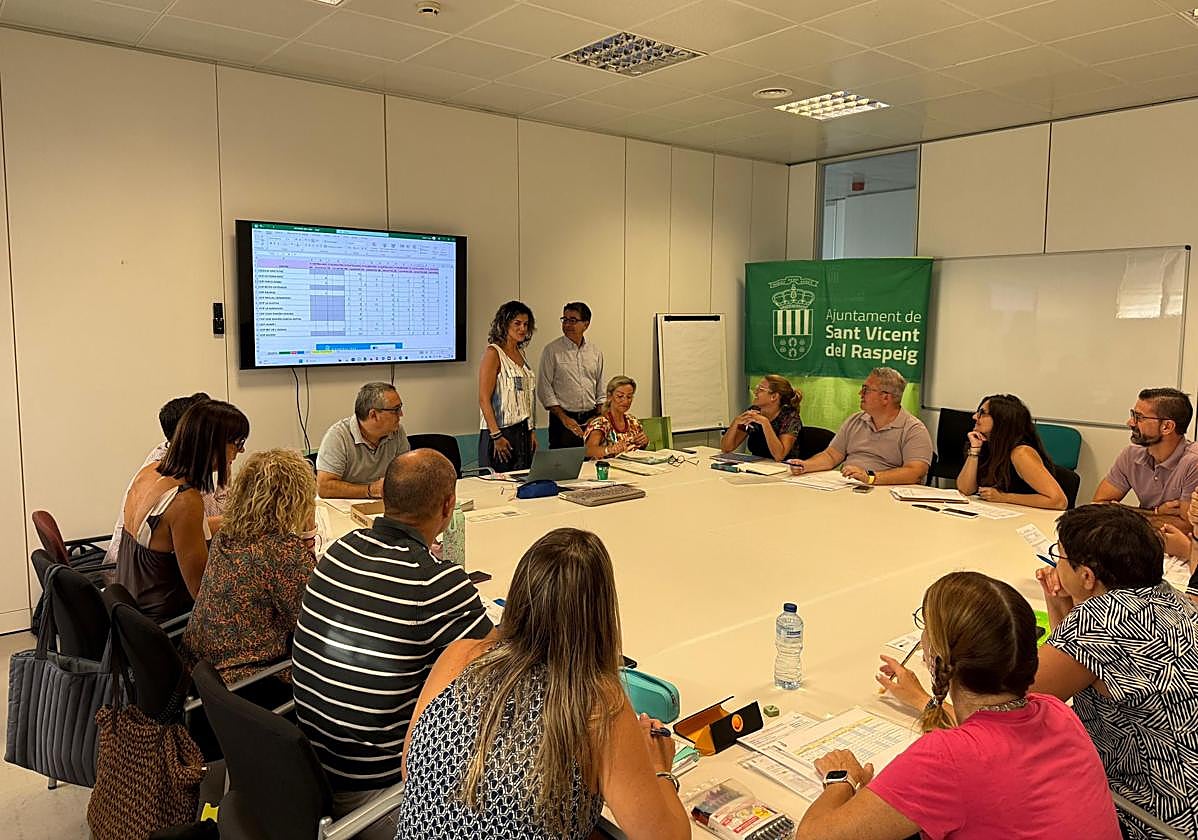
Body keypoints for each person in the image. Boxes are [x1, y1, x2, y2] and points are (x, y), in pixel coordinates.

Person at [396, 528, 690, 840]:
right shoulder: (596, 706)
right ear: (600, 615)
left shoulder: (458, 657)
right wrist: (659, 769)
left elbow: (410, 770)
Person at [800, 571, 1120, 840]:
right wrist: (920, 698)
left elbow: (812, 837)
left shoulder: (944, 758)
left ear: (937, 657)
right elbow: (993, 737)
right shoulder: (1056, 710)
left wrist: (841, 779)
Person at [292, 449, 493, 840]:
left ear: (384, 496)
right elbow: (503, 666)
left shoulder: (339, 551)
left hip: (309, 767)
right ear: (448, 505)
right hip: (376, 795)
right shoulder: (436, 583)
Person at [1032, 505, 1198, 838]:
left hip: (1156, 818)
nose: (1055, 565)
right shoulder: (1173, 598)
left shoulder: (1095, 624)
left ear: (1087, 576)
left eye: (1059, 556)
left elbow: (1008, 705)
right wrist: (1062, 602)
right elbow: (1076, 665)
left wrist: (926, 699)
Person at [183, 448, 317, 687]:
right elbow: (313, 619)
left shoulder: (226, 536)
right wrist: (307, 532)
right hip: (246, 681)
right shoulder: (282, 551)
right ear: (296, 500)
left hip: (201, 672)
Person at [116, 400, 249, 623]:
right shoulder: (184, 501)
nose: (242, 450)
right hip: (166, 622)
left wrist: (242, 519)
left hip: (132, 610)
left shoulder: (151, 471)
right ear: (212, 444)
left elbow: (186, 532)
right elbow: (202, 593)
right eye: (238, 442)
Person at [105, 392, 220, 564]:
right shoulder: (181, 481)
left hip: (127, 566)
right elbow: (203, 525)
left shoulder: (160, 458)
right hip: (137, 570)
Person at [787, 367, 932, 486]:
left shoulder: (913, 429)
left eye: (866, 390)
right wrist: (806, 465)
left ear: (886, 397)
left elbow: (915, 472)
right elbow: (831, 456)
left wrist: (870, 477)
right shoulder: (855, 420)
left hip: (885, 491)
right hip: (849, 486)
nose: (860, 393)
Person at [1092, 387, 1198, 529]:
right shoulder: (1131, 455)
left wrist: (1122, 511)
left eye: (1139, 417)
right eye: (1133, 415)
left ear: (1167, 426)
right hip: (1144, 537)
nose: (1130, 422)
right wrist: (1156, 513)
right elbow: (1098, 505)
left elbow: (1188, 526)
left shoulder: (1193, 462)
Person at [955, 394, 1067, 509]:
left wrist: (1004, 497)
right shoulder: (984, 445)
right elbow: (965, 490)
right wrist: (974, 450)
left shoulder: (1021, 453)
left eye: (982, 413)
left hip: (1031, 515)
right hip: (1001, 512)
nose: (975, 417)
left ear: (1001, 420)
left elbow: (1058, 501)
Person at [315, 382, 410, 499]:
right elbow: (324, 488)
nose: (401, 414)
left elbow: (405, 474)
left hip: (383, 503)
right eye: (396, 410)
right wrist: (369, 490)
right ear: (373, 415)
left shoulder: (397, 431)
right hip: (345, 505)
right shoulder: (339, 436)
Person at [479, 300, 537, 472]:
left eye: (526, 324)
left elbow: (526, 397)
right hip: (500, 432)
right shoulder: (493, 353)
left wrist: (531, 431)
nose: (522, 329)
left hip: (522, 431)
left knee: (523, 481)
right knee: (500, 484)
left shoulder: (521, 353)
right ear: (504, 324)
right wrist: (496, 435)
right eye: (517, 323)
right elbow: (483, 399)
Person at [538, 302, 604, 449]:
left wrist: (598, 416)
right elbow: (544, 388)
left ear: (586, 324)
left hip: (591, 419)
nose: (567, 324)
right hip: (562, 420)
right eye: (565, 319)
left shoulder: (595, 352)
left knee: (592, 459)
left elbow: (600, 388)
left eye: (573, 320)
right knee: (564, 461)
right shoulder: (552, 350)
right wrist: (564, 418)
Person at [720, 375, 802, 461]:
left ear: (774, 397)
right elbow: (726, 448)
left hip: (783, 467)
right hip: (757, 464)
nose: (755, 392)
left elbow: (779, 456)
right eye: (756, 388)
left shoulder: (790, 417)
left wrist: (765, 423)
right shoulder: (754, 411)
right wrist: (735, 422)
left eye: (760, 389)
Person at [584, 376, 650, 461]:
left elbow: (640, 449)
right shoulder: (600, 423)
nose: (625, 401)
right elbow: (589, 450)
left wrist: (644, 441)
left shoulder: (633, 421)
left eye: (629, 397)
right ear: (609, 397)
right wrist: (609, 449)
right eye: (620, 396)